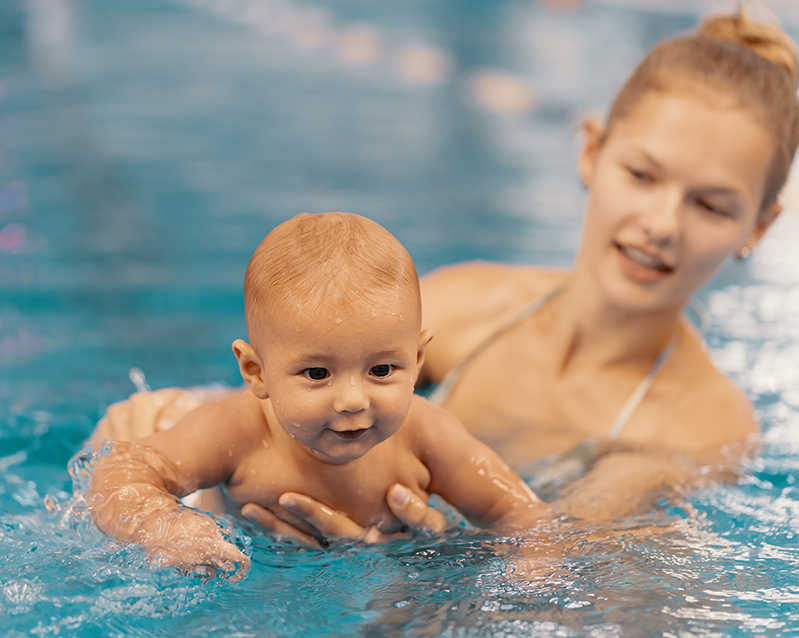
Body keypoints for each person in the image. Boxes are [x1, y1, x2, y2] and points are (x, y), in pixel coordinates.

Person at [91, 9, 799, 541]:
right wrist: (177, 422)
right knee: (122, 433)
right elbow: (298, 375)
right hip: (270, 531)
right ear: (591, 152)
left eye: (710, 205)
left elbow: (558, 554)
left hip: (438, 589)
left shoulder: (701, 422)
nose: (662, 223)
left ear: (759, 228)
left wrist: (423, 558)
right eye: (642, 175)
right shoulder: (468, 303)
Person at [85, 212, 552, 578]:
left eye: (382, 370)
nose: (353, 400)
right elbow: (120, 473)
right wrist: (165, 528)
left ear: (416, 362)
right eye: (317, 373)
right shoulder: (237, 429)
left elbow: (523, 514)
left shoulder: (427, 434)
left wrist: (529, 570)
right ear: (256, 373)